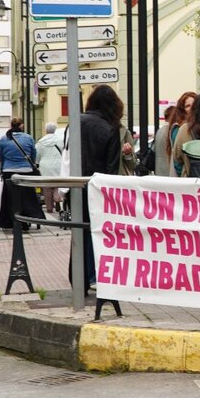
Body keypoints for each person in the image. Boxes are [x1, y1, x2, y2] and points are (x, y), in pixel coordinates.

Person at [80, 85, 126, 290]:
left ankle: (81, 275)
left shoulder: (76, 121)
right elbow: (111, 166)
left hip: (75, 184)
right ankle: (94, 276)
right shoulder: (110, 127)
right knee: (96, 231)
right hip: (97, 188)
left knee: (78, 229)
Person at [0, 118, 44, 232]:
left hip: (9, 171)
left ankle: (10, 219)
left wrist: (6, 164)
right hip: (26, 170)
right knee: (27, 196)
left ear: (11, 125)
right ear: (22, 126)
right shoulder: (28, 138)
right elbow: (33, 155)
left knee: (9, 196)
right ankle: (28, 216)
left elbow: (0, 157)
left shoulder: (3, 139)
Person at [165, 91, 198, 177]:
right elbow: (177, 161)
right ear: (182, 110)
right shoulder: (178, 128)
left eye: (194, 104)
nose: (191, 108)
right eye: (187, 106)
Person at [36, 122, 64, 214]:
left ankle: (49, 207)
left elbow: (37, 155)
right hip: (58, 164)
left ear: (46, 130)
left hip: (45, 166)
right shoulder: (60, 140)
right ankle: (57, 199)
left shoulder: (41, 142)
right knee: (57, 184)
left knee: (47, 187)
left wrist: (38, 162)